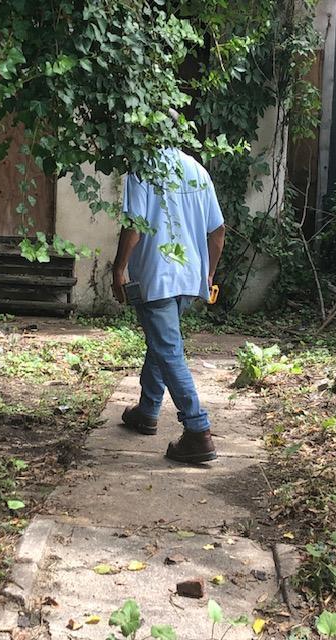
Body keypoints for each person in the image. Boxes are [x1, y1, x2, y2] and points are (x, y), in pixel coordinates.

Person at [112, 147, 226, 463]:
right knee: (161, 344)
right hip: (189, 276)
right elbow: (217, 230)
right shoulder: (197, 171)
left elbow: (134, 226)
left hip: (156, 276)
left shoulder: (143, 168)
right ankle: (147, 410)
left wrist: (118, 268)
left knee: (168, 349)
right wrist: (209, 272)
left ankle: (197, 430)